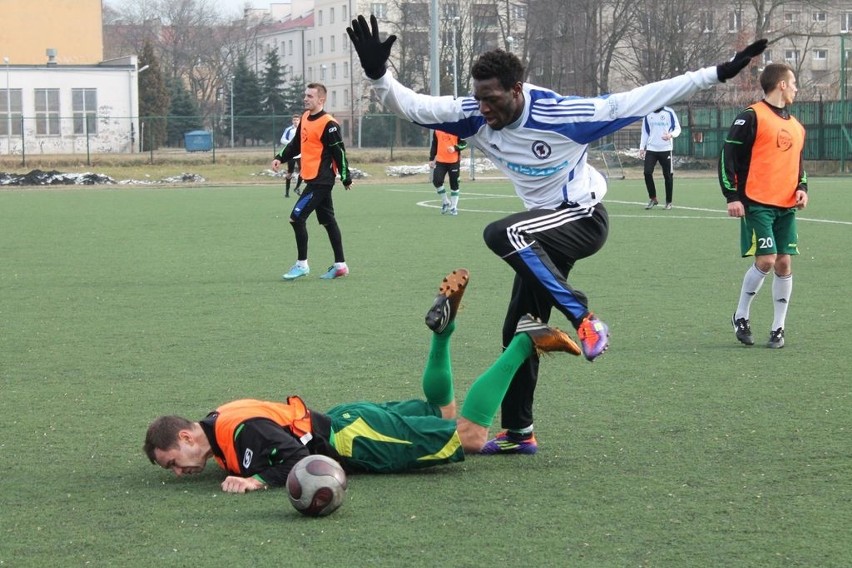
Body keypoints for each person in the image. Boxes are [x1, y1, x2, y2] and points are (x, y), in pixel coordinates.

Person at [347, 15, 767, 454]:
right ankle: (518, 433)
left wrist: (718, 72)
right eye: (478, 98)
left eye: (491, 99)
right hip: (539, 237)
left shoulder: (564, 115)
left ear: (517, 90)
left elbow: (641, 97)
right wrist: (378, 75)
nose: (483, 108)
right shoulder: (474, 117)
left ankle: (584, 319)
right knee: (519, 331)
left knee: (500, 233)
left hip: (581, 219)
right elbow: (415, 107)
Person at [143, 269, 582, 493]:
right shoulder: (222, 421)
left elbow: (296, 458)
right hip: (349, 421)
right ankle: (443, 336)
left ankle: (522, 345)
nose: (179, 472)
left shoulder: (236, 432)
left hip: (357, 440)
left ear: (185, 435)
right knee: (441, 413)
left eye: (173, 461)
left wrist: (256, 481)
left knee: (469, 435)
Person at [719, 63, 807, 350]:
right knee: (767, 259)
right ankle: (741, 315)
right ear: (781, 84)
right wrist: (732, 195)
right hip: (757, 201)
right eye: (793, 82)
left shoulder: (796, 126)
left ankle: (778, 328)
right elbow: (727, 154)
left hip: (786, 205)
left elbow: (798, 164)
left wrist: (802, 188)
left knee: (784, 261)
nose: (796, 87)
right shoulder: (751, 116)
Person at [272, 83, 352, 281]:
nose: (305, 98)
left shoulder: (329, 124)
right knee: (327, 221)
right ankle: (340, 265)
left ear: (321, 100)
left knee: (296, 218)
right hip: (312, 178)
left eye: (310, 96)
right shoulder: (306, 117)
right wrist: (280, 157)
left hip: (321, 180)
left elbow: (339, 152)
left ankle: (302, 265)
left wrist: (345, 176)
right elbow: (296, 143)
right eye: (305, 95)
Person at [640, 106, 681, 210]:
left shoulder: (669, 112)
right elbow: (645, 132)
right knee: (647, 172)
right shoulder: (648, 113)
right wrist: (642, 147)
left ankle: (668, 202)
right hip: (651, 148)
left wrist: (671, 135)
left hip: (666, 149)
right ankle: (653, 198)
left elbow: (678, 129)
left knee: (668, 175)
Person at [429, 129, 468, 215]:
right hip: (440, 161)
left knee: (454, 184)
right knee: (437, 181)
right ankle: (446, 201)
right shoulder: (437, 130)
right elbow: (434, 144)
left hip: (454, 162)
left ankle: (453, 207)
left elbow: (464, 144)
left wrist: (455, 148)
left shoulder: (458, 129)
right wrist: (431, 159)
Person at [279, 114, 303, 198]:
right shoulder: (289, 130)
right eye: (294, 120)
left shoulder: (302, 129)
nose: (295, 121)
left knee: (303, 171)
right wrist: (290, 144)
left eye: (297, 120)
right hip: (291, 154)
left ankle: (297, 187)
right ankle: (287, 192)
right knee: (290, 172)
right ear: (292, 121)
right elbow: (282, 140)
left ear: (299, 121)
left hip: (300, 154)